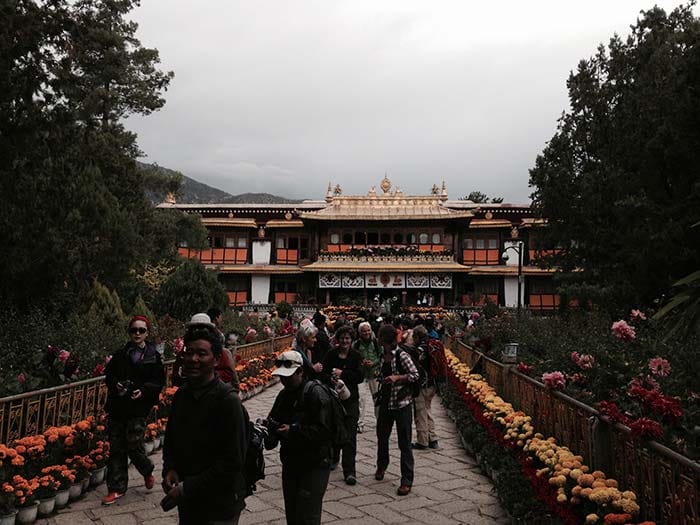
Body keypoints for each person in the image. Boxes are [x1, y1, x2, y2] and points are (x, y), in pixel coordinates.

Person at [162, 324, 248, 524]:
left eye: (201, 354)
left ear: (216, 359)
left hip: (221, 503)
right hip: (190, 500)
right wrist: (170, 467)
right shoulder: (182, 395)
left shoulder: (227, 401)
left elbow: (233, 461)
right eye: (189, 352)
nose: (193, 359)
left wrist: (187, 488)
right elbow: (172, 438)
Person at [265, 351, 334, 525]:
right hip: (291, 462)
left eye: (288, 376)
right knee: (293, 512)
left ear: (301, 372)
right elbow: (274, 421)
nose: (284, 381)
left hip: (315, 463)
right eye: (282, 377)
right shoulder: (283, 395)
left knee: (308, 515)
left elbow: (325, 431)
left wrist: (294, 431)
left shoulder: (315, 394)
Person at [102, 316, 165, 505]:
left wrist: (144, 391)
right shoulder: (121, 354)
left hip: (138, 409)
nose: (137, 334)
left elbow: (158, 382)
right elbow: (109, 376)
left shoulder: (153, 356)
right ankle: (116, 488)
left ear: (147, 332)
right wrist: (117, 386)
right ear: (129, 332)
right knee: (116, 448)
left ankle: (146, 469)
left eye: (141, 330)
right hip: (118, 408)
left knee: (134, 446)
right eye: (134, 330)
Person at [374, 324, 419, 497]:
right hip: (386, 402)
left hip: (402, 403)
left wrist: (398, 378)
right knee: (381, 436)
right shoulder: (382, 355)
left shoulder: (402, 355)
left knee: (404, 442)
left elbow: (415, 375)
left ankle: (406, 480)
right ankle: (381, 465)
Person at [321, 325, 363, 485]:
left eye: (348, 338)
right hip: (333, 399)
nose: (345, 341)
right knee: (332, 429)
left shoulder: (356, 356)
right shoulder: (331, 354)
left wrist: (343, 374)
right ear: (338, 340)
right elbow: (323, 372)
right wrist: (329, 379)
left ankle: (350, 471)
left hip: (350, 399)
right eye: (342, 338)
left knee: (350, 435)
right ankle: (333, 458)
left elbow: (360, 376)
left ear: (351, 340)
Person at [410, 325, 439, 451]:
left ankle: (422, 441)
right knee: (428, 410)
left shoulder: (421, 347)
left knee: (420, 412)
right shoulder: (432, 344)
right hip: (432, 383)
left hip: (423, 385)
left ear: (416, 336)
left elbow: (416, 359)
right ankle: (433, 439)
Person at [353, 321, 381, 433]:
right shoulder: (356, 344)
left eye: (368, 330)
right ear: (360, 333)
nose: (367, 333)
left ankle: (380, 421)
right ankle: (360, 423)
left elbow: (381, 356)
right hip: (361, 374)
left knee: (377, 398)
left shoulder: (376, 343)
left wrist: (374, 363)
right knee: (361, 399)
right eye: (364, 331)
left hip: (374, 373)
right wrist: (361, 362)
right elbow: (353, 357)